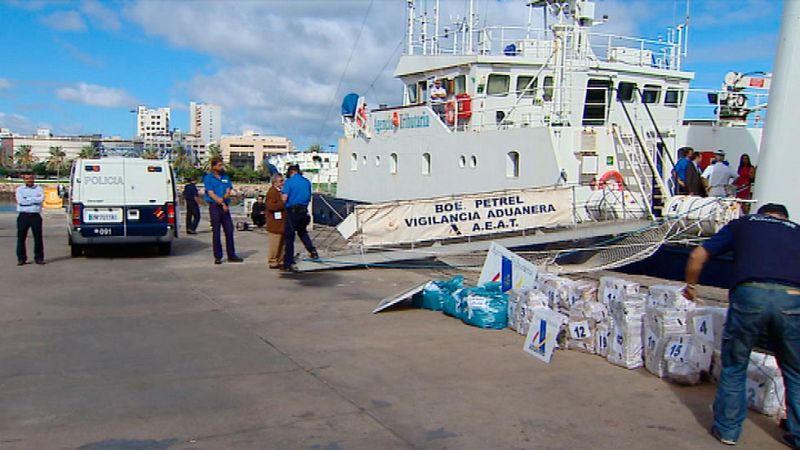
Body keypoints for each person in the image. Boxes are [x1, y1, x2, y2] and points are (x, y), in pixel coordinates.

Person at [684, 203, 800, 448]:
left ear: (761, 215)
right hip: (792, 297)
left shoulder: (744, 224)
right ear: (784, 218)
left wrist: (691, 287)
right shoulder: (797, 230)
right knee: (795, 371)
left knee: (736, 365)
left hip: (750, 293)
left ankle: (728, 431)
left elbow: (698, 255)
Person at [203, 157, 243, 264]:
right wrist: (220, 202)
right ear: (214, 166)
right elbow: (210, 193)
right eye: (219, 165)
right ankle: (218, 256)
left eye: (222, 165)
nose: (221, 167)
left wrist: (225, 199)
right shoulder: (208, 178)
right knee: (216, 232)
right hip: (215, 206)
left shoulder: (225, 177)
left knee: (229, 230)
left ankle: (231, 254)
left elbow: (228, 190)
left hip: (225, 204)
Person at [281, 164, 318, 272]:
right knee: (302, 232)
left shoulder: (289, 182)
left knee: (289, 237)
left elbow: (284, 198)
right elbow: (309, 197)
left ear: (291, 172)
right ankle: (313, 251)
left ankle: (288, 262)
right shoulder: (306, 182)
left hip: (292, 212)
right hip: (304, 211)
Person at [16, 173, 45, 265]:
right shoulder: (20, 189)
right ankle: (21, 258)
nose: (29, 180)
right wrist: (34, 199)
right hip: (23, 216)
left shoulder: (39, 188)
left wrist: (28, 199)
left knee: (38, 238)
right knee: (21, 237)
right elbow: (21, 201)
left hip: (35, 216)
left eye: (31, 178)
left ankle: (39, 258)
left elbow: (41, 199)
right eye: (27, 178)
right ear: (24, 179)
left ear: (34, 179)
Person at [266, 174, 286, 269]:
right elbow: (270, 206)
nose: (283, 182)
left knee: (281, 243)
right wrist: (282, 203)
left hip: (281, 222)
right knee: (275, 243)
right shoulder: (272, 192)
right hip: (275, 223)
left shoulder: (280, 191)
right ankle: (273, 260)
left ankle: (280, 260)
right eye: (281, 181)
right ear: (275, 182)